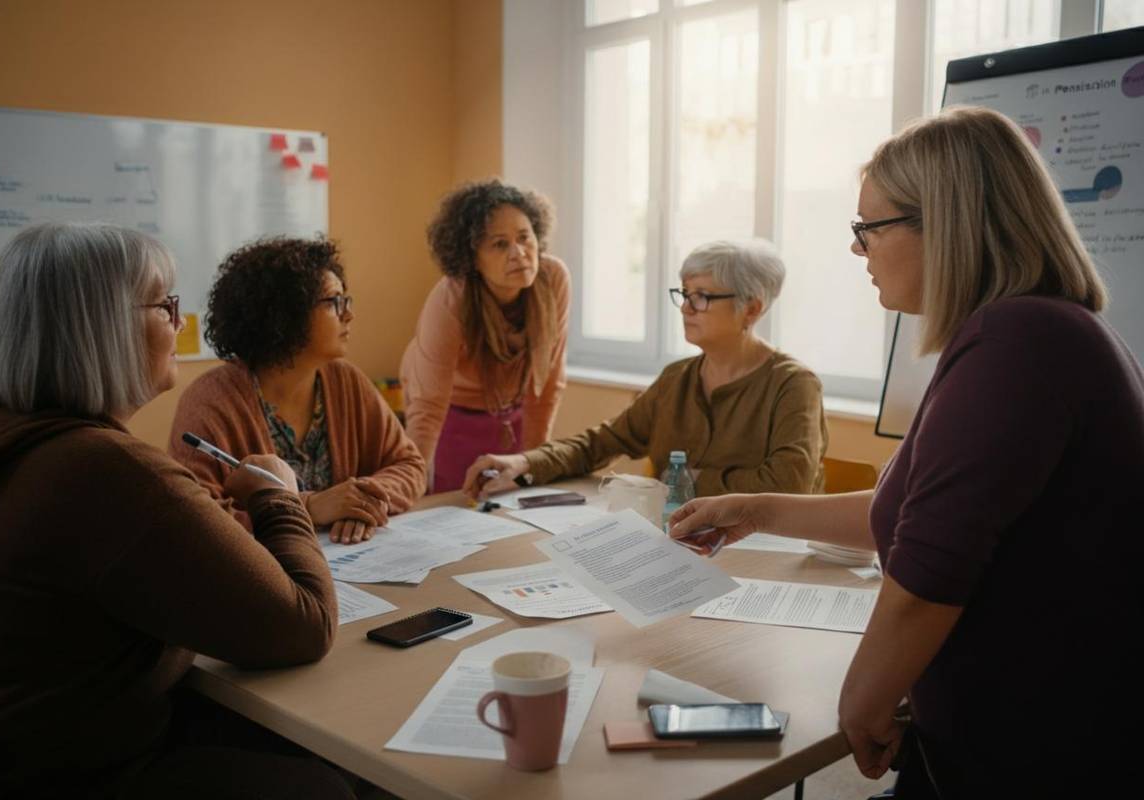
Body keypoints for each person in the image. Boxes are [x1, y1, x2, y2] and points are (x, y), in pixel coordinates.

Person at [669, 107, 1144, 797]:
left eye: (869, 228)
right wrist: (757, 510)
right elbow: (917, 512)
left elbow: (932, 568)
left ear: (945, 223)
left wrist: (863, 699)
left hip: (1033, 757)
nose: (856, 249)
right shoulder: (1030, 332)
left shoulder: (1019, 345)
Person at [0, 223, 350, 798]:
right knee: (327, 785)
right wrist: (279, 496)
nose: (180, 324)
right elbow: (305, 626)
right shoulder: (99, 469)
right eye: (166, 306)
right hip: (59, 775)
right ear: (103, 328)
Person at [463, 240, 826, 499]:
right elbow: (600, 443)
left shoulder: (794, 384)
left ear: (752, 309)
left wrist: (685, 481)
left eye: (702, 296)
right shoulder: (676, 378)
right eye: (684, 293)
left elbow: (787, 484)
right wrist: (524, 462)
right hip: (683, 541)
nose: (686, 308)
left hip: (763, 552)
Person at [170, 237, 426, 544]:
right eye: (333, 302)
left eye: (346, 301)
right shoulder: (210, 402)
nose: (348, 314)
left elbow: (410, 466)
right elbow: (193, 520)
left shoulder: (347, 381)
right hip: (264, 571)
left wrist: (359, 501)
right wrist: (310, 507)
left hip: (348, 564)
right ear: (285, 314)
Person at [400, 179, 570, 492]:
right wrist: (411, 490)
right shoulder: (451, 298)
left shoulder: (554, 279)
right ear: (472, 258)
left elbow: (546, 385)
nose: (519, 253)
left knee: (511, 499)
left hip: (511, 413)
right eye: (500, 244)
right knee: (451, 504)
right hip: (451, 414)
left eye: (524, 237)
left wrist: (534, 466)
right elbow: (427, 406)